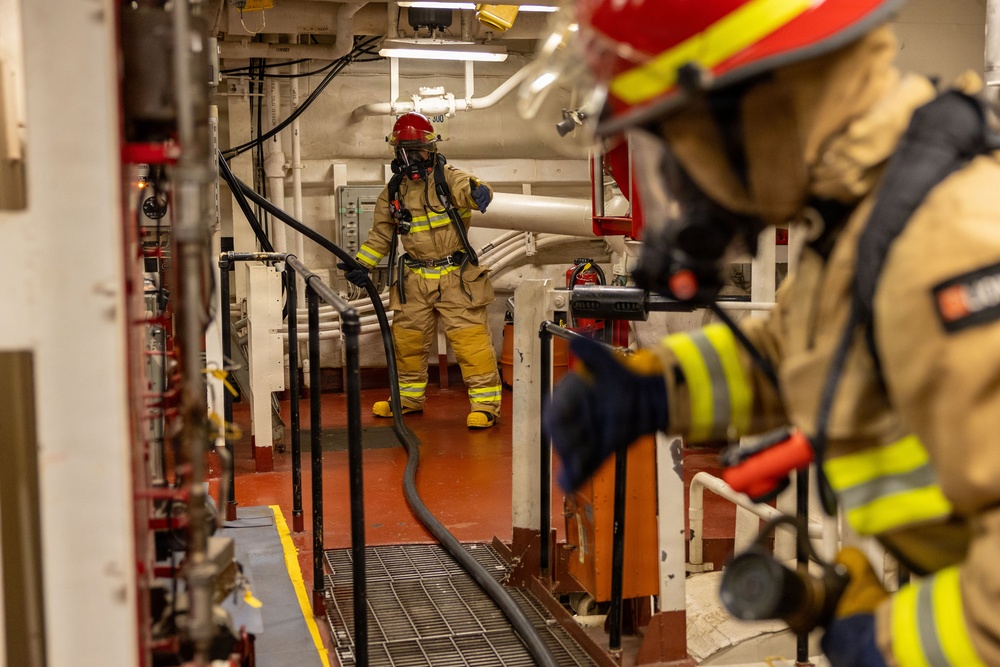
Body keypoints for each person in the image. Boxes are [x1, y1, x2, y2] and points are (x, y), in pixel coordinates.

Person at [532, 1, 1000, 665]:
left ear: (761, 108)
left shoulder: (951, 249)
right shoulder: (870, 218)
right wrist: (657, 389)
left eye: (678, 145)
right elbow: (795, 353)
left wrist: (891, 643)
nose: (680, 184)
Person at [345, 112, 502, 429]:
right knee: (408, 342)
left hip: (456, 276)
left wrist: (479, 192)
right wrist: (361, 265)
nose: (416, 157)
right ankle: (407, 399)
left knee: (472, 344)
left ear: (432, 149)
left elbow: (470, 187)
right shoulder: (393, 192)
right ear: (397, 153)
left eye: (421, 149)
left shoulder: (448, 178)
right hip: (414, 279)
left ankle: (486, 405)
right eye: (408, 151)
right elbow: (380, 236)